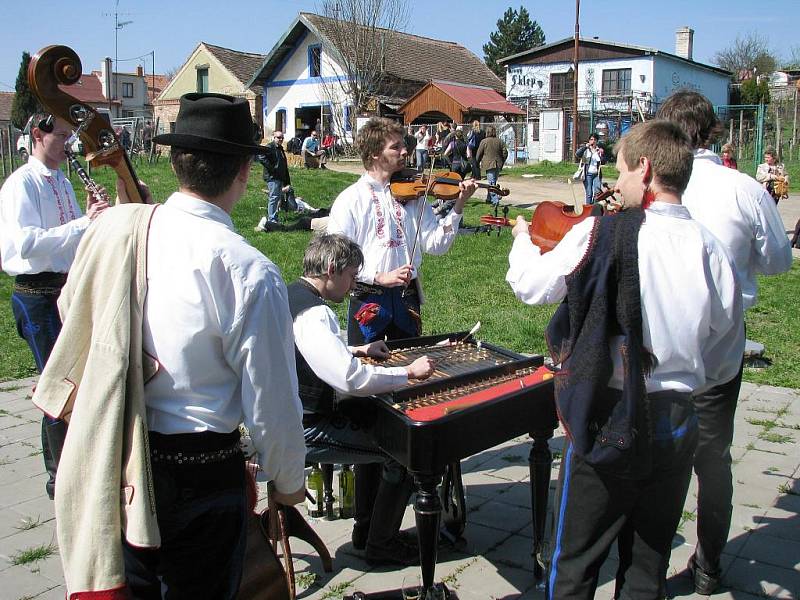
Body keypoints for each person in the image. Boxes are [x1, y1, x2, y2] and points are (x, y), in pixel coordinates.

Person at [35, 93, 307, 599]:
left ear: (176, 159)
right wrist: (289, 483)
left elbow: (74, 313)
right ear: (245, 170)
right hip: (202, 475)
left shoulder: (117, 230)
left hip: (118, 455)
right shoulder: (248, 270)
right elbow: (271, 402)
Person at [506, 119, 744, 600]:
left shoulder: (602, 232)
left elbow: (530, 286)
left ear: (646, 167)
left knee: (574, 560)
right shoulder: (713, 250)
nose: (615, 183)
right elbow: (725, 357)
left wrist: (521, 241)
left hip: (610, 415)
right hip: (679, 418)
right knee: (647, 565)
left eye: (620, 170)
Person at [657, 90, 792, 595]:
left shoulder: (653, 184)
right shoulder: (743, 189)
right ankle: (709, 564)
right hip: (717, 355)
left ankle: (647, 564)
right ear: (712, 130)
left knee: (659, 460)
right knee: (713, 460)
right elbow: (779, 260)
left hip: (659, 353)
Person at [289, 233, 436, 566]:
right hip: (309, 427)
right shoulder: (315, 313)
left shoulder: (293, 294)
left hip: (295, 414)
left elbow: (309, 350)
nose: (354, 285)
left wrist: (356, 349)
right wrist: (408, 373)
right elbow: (351, 379)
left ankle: (366, 530)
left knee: (380, 429)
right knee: (404, 454)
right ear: (331, 268)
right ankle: (380, 544)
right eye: (353, 276)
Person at [0, 112, 109, 500]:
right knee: (57, 385)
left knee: (71, 381)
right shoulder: (21, 184)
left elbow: (69, 242)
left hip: (65, 289)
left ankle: (71, 463)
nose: (69, 144)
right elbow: (25, 244)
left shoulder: (62, 181)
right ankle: (58, 476)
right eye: (61, 136)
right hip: (35, 294)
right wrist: (83, 224)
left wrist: (95, 221)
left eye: (69, 135)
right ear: (37, 135)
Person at [326, 116, 477, 346]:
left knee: (411, 368)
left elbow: (437, 245)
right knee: (366, 368)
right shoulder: (351, 199)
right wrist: (377, 276)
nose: (405, 151)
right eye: (395, 147)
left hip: (407, 299)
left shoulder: (415, 195)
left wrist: (459, 205)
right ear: (375, 154)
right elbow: (336, 257)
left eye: (403, 145)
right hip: (369, 299)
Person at [255, 129, 297, 228]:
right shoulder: (270, 146)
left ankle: (274, 217)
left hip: (280, 177)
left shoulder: (280, 148)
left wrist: (287, 180)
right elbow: (261, 157)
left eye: (282, 137)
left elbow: (284, 165)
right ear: (274, 138)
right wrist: (272, 169)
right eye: (278, 137)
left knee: (277, 197)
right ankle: (272, 219)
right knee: (274, 197)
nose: (280, 139)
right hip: (272, 177)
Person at [476, 125, 508, 206]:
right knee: (492, 182)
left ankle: (495, 200)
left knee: (491, 183)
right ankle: (489, 198)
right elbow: (505, 153)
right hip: (498, 163)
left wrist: (477, 162)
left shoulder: (484, 141)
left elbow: (479, 153)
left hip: (488, 164)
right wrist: (502, 160)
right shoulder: (500, 141)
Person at [575, 133, 607, 204]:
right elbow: (577, 154)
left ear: (597, 141)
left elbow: (604, 162)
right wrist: (585, 147)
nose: (593, 141)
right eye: (591, 139)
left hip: (596, 175)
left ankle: (594, 208)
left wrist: (601, 154)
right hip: (587, 174)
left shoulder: (599, 150)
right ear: (589, 141)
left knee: (597, 193)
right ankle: (588, 209)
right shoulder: (586, 149)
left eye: (595, 139)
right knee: (589, 193)